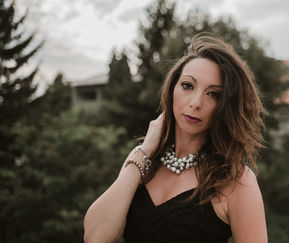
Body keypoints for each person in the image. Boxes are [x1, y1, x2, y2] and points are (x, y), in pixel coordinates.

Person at [83, 32, 268, 243]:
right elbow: (95, 237)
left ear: (225, 106)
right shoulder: (143, 159)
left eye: (213, 94)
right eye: (188, 86)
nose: (196, 102)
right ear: (172, 90)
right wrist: (145, 149)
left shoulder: (235, 180)